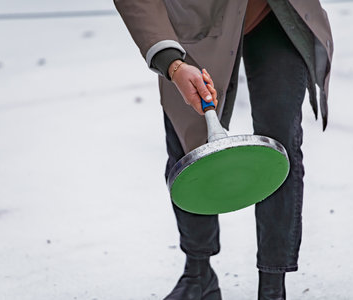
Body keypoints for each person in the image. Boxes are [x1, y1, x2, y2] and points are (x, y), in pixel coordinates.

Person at [113, 1, 333, 299]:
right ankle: (198, 275)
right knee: (189, 139)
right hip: (197, 22)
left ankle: (272, 288)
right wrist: (173, 64)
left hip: (274, 13)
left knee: (279, 148)